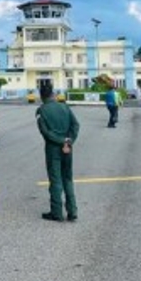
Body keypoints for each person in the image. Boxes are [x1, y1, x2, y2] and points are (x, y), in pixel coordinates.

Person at [37, 81, 79, 222]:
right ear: (53, 94)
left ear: (41, 96)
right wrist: (69, 140)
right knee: (67, 178)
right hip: (68, 147)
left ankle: (57, 213)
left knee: (55, 180)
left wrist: (61, 141)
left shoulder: (41, 111)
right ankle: (72, 211)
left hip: (53, 148)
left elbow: (45, 132)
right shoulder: (65, 107)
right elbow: (75, 125)